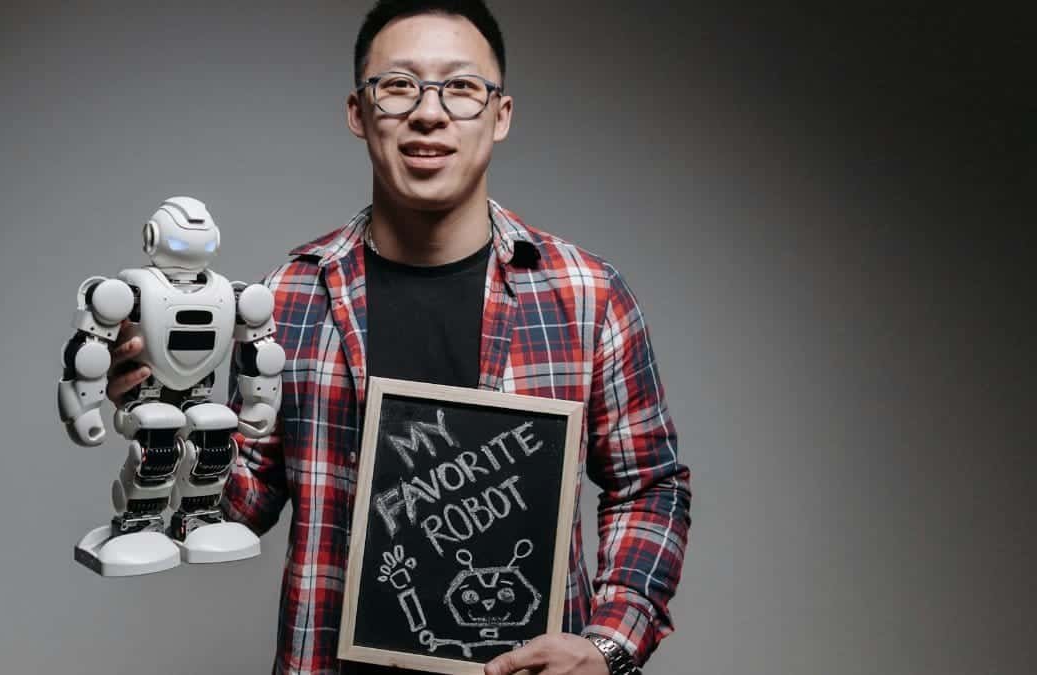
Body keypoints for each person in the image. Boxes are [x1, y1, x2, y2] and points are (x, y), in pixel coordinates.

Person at [108, 1, 691, 673]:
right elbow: (241, 502)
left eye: (462, 88)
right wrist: (167, 401)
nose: (429, 112)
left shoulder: (587, 297)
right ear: (359, 112)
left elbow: (651, 484)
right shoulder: (292, 297)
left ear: (499, 115)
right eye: (398, 85)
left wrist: (610, 644)